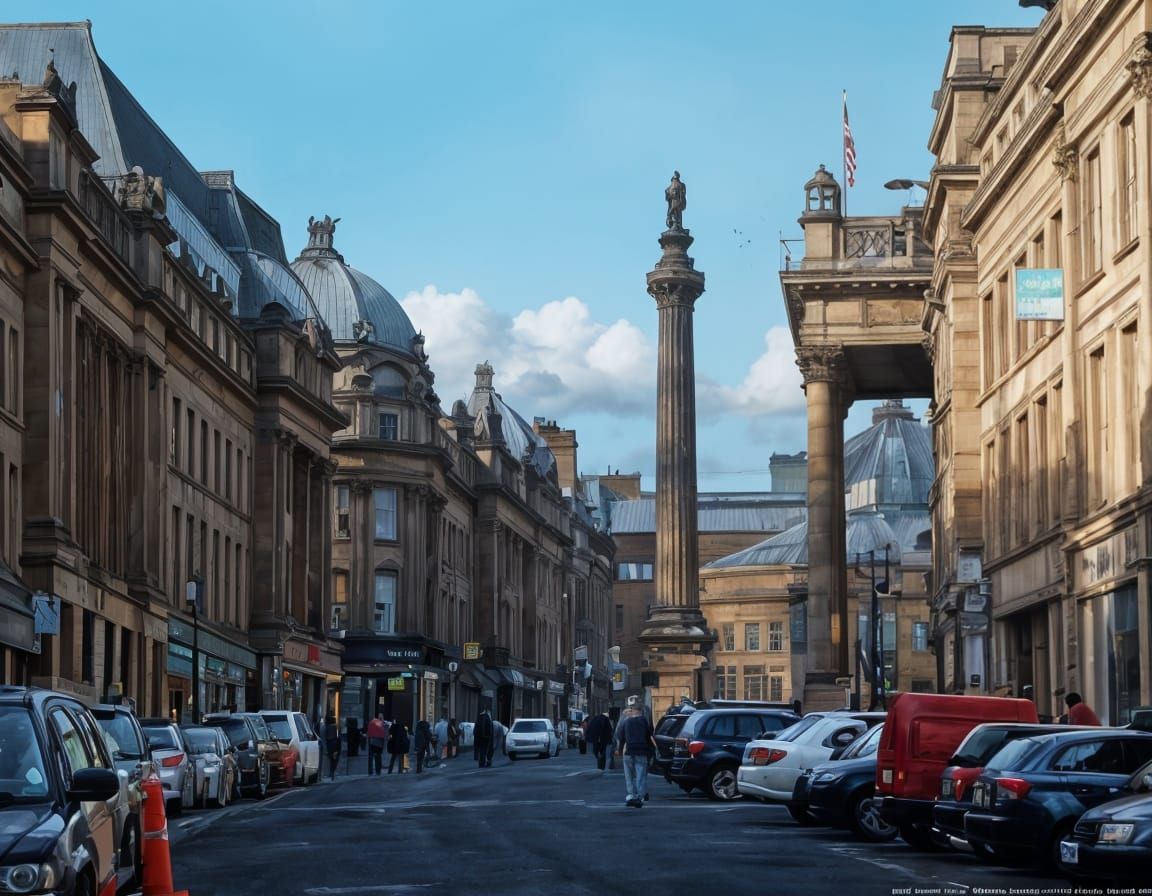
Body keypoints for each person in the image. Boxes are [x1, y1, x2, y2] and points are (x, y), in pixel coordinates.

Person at [614, 696, 656, 808]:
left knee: (629, 775)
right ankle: (640, 796)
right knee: (641, 774)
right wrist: (652, 750)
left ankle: (631, 795)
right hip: (642, 750)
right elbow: (649, 735)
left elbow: (619, 734)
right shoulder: (644, 718)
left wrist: (619, 749)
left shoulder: (624, 718)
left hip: (628, 750)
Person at [322, 715, 341, 781]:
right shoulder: (336, 727)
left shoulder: (326, 727)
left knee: (330, 759)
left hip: (329, 744)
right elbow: (338, 737)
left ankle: (331, 772)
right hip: (336, 745)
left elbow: (324, 737)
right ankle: (332, 771)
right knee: (335, 759)